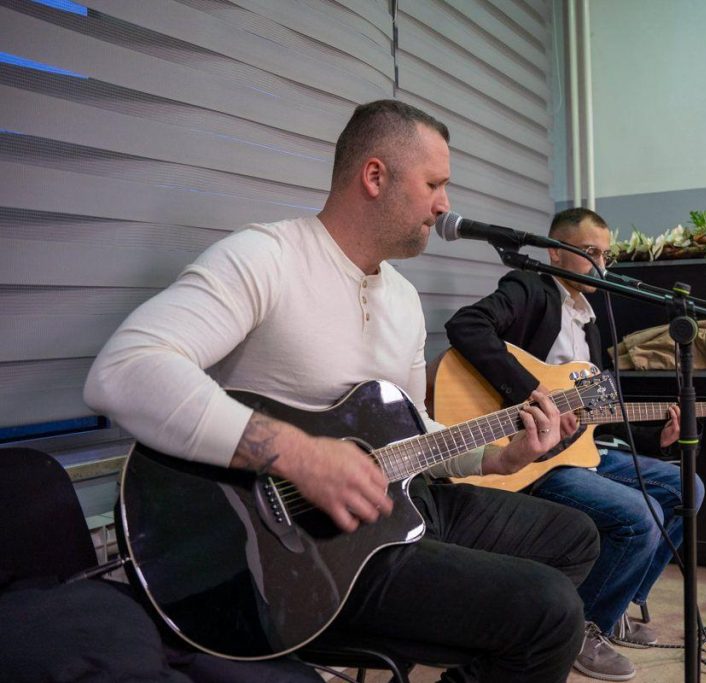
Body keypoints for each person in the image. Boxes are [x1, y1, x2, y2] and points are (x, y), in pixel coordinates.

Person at [84, 100, 600, 683]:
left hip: (404, 501)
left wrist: (497, 458)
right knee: (550, 611)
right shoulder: (265, 257)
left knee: (576, 537)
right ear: (375, 176)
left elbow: (412, 429)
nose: (444, 205)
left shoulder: (403, 298)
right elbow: (124, 369)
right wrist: (299, 455)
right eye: (434, 184)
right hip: (301, 546)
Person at [445, 207, 706, 681]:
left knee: (688, 487)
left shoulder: (591, 323)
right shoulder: (530, 289)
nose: (600, 264)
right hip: (533, 458)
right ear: (555, 252)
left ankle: (617, 605)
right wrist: (534, 394)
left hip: (578, 453)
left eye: (605, 255)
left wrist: (657, 436)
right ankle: (580, 629)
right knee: (639, 514)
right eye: (589, 252)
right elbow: (467, 326)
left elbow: (596, 415)